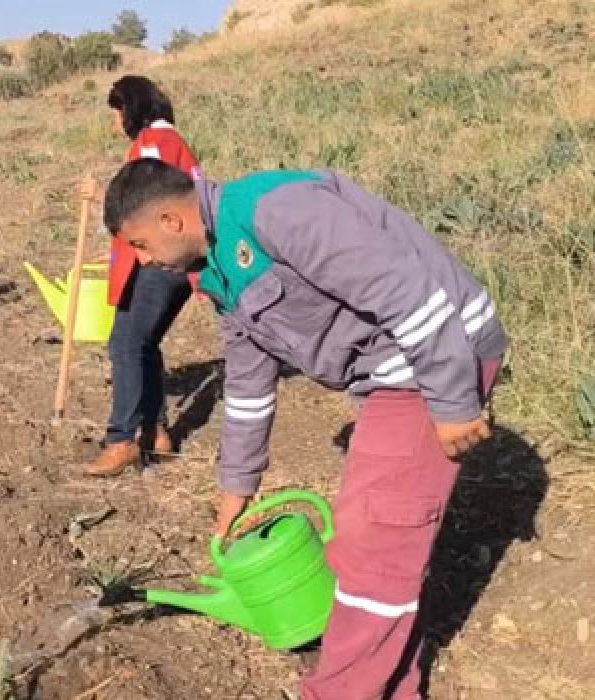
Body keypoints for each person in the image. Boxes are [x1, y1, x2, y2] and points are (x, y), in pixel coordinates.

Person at [102, 158, 508, 699]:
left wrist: (452, 399)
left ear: (171, 220)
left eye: (141, 245)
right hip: (392, 375)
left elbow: (404, 289)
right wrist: (236, 484)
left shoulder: (279, 212)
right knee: (376, 545)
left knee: (371, 548)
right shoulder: (220, 267)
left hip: (431, 361)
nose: (144, 262)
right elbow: (247, 382)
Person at [84, 76, 200, 477]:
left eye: (116, 112)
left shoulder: (153, 142)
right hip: (169, 262)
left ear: (131, 108)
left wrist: (100, 195)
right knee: (144, 343)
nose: (115, 123)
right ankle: (155, 432)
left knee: (126, 342)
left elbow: (150, 202)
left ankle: (122, 439)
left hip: (161, 263)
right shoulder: (171, 141)